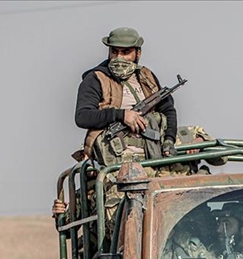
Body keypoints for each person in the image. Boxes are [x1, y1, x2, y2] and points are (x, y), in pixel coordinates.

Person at [75, 27, 177, 166]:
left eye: (126, 52)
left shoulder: (146, 77)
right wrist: (122, 115)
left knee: (198, 141)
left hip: (153, 150)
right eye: (114, 51)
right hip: (117, 157)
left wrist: (169, 140)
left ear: (138, 53)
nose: (119, 57)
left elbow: (168, 110)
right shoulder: (96, 78)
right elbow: (83, 116)